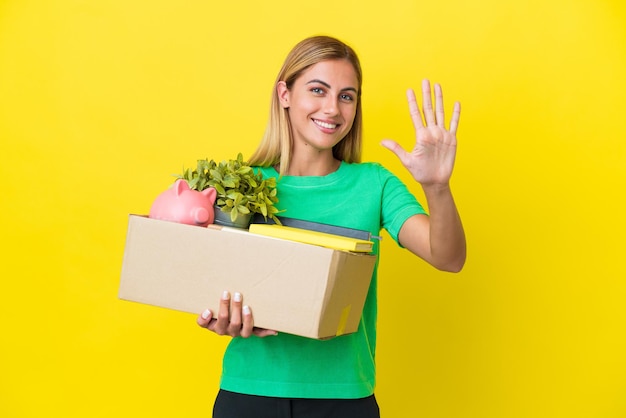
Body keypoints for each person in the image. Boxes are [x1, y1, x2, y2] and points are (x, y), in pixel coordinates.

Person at [196, 35, 466, 418]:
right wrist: (217, 313)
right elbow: (206, 277)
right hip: (249, 393)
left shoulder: (375, 184)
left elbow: (448, 257)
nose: (333, 108)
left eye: (346, 96)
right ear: (284, 94)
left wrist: (436, 188)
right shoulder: (238, 184)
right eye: (318, 90)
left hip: (344, 399)